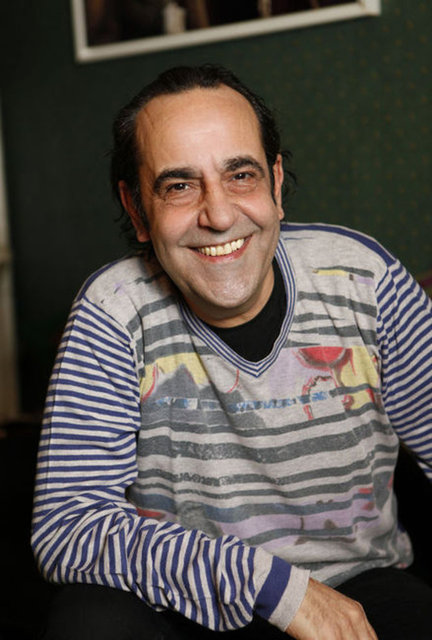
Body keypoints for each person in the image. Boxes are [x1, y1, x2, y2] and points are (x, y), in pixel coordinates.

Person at [31, 64, 432, 640]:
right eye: (179, 186)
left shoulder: (365, 281)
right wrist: (274, 587)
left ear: (275, 183)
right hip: (181, 604)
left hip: (359, 589)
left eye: (240, 175)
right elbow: (67, 527)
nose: (218, 216)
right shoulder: (112, 310)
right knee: (87, 622)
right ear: (137, 209)